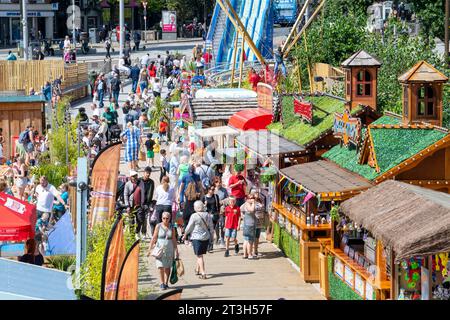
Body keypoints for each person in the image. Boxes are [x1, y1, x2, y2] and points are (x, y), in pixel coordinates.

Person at [182, 201, 214, 279]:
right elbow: (211, 227)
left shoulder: (194, 216)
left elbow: (189, 227)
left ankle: (203, 273)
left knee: (199, 256)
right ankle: (197, 269)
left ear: (196, 208)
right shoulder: (208, 215)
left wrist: (185, 234)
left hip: (197, 237)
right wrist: (212, 237)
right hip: (206, 237)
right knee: (200, 254)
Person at [149, 211, 178, 290]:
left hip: (169, 248)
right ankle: (162, 283)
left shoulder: (172, 227)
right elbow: (154, 237)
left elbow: (174, 239)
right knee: (160, 266)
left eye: (167, 218)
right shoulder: (158, 226)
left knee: (167, 267)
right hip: (160, 248)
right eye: (163, 218)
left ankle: (166, 282)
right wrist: (150, 248)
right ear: (161, 218)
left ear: (169, 218)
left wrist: (176, 250)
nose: (165, 220)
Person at [177, 164, 203, 238]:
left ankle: (191, 233)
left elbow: (199, 185)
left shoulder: (194, 175)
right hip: (189, 197)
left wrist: (202, 195)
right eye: (190, 172)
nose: (191, 174)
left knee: (193, 214)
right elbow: (181, 186)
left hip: (194, 197)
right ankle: (188, 233)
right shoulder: (186, 176)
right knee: (188, 214)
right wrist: (179, 195)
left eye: (192, 172)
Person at [124, 170, 145, 236]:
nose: (135, 177)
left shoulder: (141, 182)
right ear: (130, 177)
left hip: (139, 205)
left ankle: (137, 232)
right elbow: (125, 195)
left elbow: (143, 193)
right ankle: (132, 235)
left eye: (136, 176)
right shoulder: (127, 184)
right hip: (131, 206)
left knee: (140, 220)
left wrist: (142, 203)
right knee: (131, 222)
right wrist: (127, 206)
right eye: (133, 176)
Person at [202, 186, 220, 252]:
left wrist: (218, 214)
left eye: (214, 189)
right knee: (208, 230)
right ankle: (208, 245)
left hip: (214, 215)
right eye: (212, 189)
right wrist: (204, 205)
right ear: (208, 190)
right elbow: (202, 208)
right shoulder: (204, 197)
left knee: (211, 231)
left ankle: (210, 245)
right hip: (207, 216)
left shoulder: (216, 196)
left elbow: (218, 206)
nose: (213, 191)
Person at [240, 195, 258, 259]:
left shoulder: (244, 204)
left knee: (246, 240)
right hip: (249, 225)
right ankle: (249, 254)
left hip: (247, 224)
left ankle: (245, 254)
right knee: (250, 241)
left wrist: (243, 215)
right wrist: (253, 203)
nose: (252, 199)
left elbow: (241, 209)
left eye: (253, 198)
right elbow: (252, 210)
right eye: (250, 198)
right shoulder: (248, 204)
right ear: (247, 199)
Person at [214, 176, 228, 246]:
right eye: (217, 182)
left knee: (222, 224)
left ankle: (222, 238)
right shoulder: (213, 190)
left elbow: (227, 199)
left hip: (222, 209)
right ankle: (217, 237)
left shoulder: (224, 190)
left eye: (220, 182)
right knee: (216, 225)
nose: (219, 184)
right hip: (215, 210)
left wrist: (222, 202)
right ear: (215, 183)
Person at [251, 190, 266, 256]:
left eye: (258, 193)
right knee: (253, 237)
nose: (257, 194)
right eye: (256, 193)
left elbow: (263, 209)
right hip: (253, 221)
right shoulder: (251, 201)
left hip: (260, 221)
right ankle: (251, 251)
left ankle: (256, 251)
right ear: (253, 194)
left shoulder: (261, 200)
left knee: (257, 237)